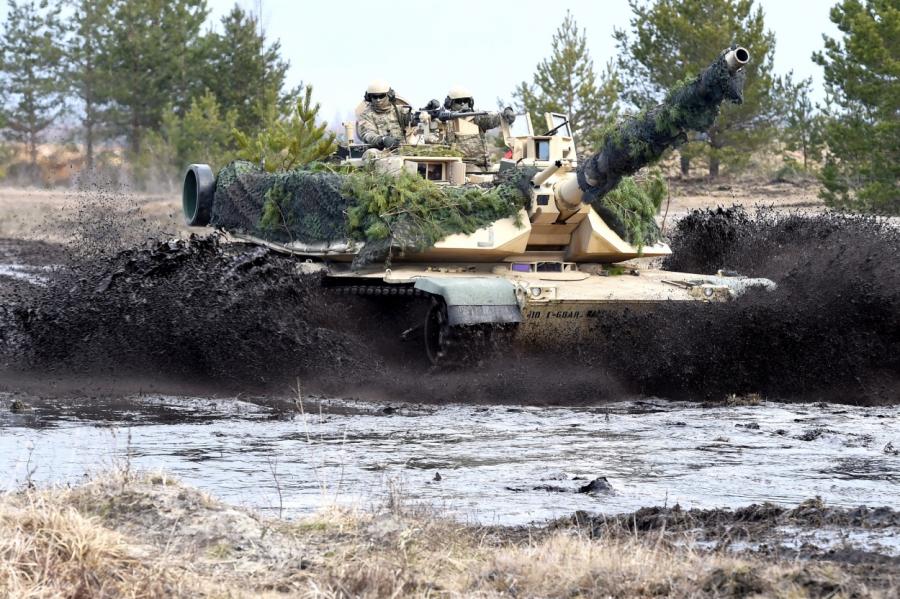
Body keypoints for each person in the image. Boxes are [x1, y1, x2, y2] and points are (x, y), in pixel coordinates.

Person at [440, 85, 515, 168]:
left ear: (470, 102)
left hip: (482, 166)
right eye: (458, 101)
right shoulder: (445, 122)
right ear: (450, 103)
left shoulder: (477, 118)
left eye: (465, 100)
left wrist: (507, 112)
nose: (462, 104)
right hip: (456, 166)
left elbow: (495, 118)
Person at [356, 80, 410, 150]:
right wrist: (383, 140)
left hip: (402, 149)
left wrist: (420, 119)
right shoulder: (366, 115)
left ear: (389, 95)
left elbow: (414, 122)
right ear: (369, 97)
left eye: (381, 96)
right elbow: (368, 134)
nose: (378, 100)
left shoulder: (400, 111)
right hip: (378, 153)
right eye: (374, 97)